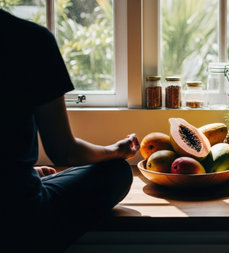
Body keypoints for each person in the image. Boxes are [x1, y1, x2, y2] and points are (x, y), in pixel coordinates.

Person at [0, 9, 140, 252]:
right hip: (18, 216)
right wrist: (114, 150)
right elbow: (64, 152)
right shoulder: (29, 39)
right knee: (117, 172)